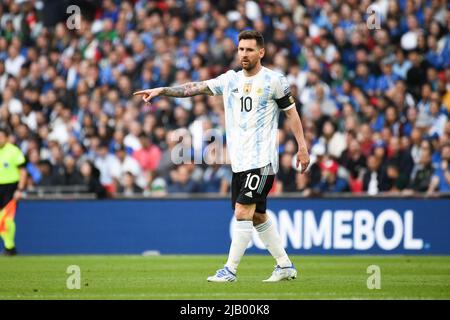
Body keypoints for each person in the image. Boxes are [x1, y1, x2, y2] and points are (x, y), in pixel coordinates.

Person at [134, 30, 310, 282]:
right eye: (241, 49)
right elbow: (194, 88)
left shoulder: (274, 81)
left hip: (262, 161)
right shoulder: (230, 80)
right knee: (258, 215)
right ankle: (284, 265)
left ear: (261, 52)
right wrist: (162, 90)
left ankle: (229, 270)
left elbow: (291, 114)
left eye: (249, 49)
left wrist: (302, 147)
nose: (244, 54)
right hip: (239, 163)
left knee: (242, 211)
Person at [0, 127, 27, 256]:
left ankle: (9, 247)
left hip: (10, 188)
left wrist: (20, 189)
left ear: (6, 137)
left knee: (7, 218)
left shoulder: (13, 151)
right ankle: (9, 247)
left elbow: (23, 171)